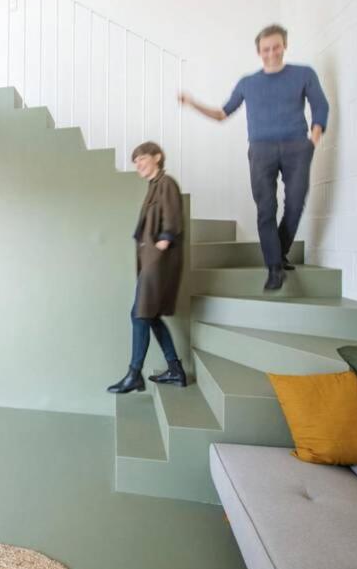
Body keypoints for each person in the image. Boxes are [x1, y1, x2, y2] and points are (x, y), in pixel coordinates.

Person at [179, 24, 329, 290]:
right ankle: (274, 267)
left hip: (297, 146)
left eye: (276, 47)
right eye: (265, 49)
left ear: (284, 46)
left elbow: (320, 105)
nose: (271, 53)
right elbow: (222, 114)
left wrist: (313, 140)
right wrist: (193, 103)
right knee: (266, 209)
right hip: (261, 150)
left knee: (295, 203)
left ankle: (278, 253)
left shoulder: (303, 74)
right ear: (259, 52)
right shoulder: (248, 83)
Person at [107, 142, 187, 394]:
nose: (138, 164)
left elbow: (172, 223)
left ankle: (134, 374)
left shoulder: (167, 184)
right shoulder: (153, 187)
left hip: (158, 261)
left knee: (140, 314)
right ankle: (175, 369)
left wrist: (160, 246)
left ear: (157, 157)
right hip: (151, 260)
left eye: (142, 158)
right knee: (148, 315)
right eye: (136, 161)